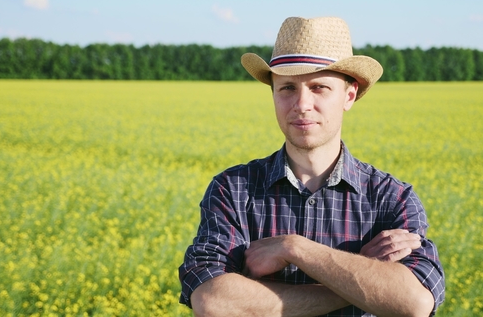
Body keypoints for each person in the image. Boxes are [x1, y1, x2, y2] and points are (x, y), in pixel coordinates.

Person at [178, 16, 445, 316]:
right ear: (273, 95)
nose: (302, 104)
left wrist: (294, 248)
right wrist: (362, 279)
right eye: (288, 88)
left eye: (319, 87)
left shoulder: (391, 199)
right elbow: (214, 302)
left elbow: (415, 302)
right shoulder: (233, 190)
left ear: (349, 95)